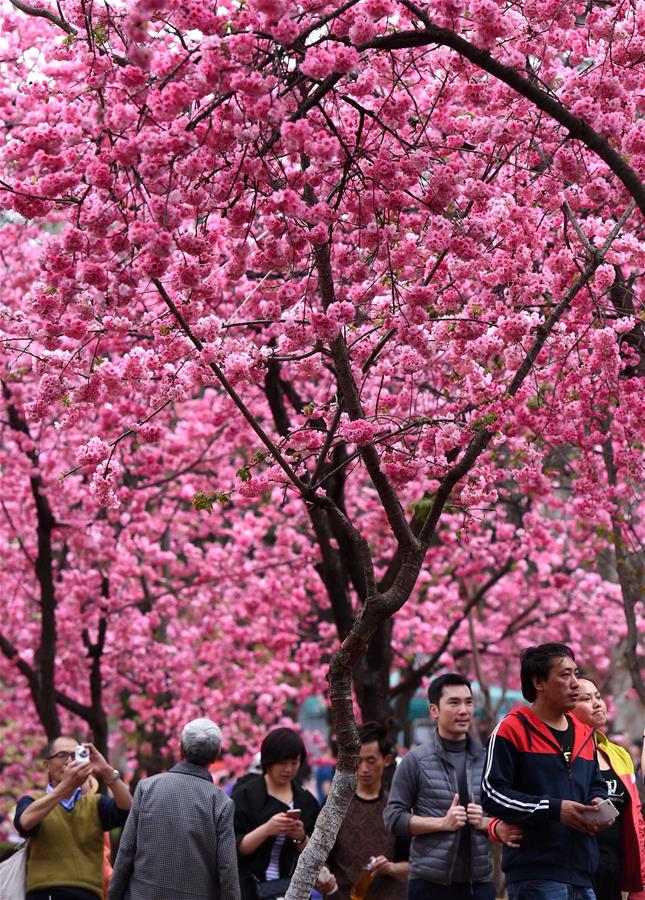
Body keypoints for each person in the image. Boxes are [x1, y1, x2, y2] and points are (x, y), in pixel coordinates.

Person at [481, 642, 610, 900]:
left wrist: (599, 804)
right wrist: (554, 809)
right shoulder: (511, 729)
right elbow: (492, 794)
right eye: (565, 675)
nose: (575, 682)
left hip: (583, 873)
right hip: (536, 875)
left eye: (576, 673)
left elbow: (596, 783)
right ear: (538, 682)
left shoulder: (585, 733)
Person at [383, 673, 497, 900]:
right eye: (454, 703)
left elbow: (503, 815)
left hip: (480, 884)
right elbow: (393, 818)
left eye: (468, 702)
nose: (464, 710)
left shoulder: (488, 759)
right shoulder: (415, 761)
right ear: (434, 710)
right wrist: (443, 823)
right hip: (429, 884)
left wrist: (484, 820)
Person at [108, 718, 240, 900]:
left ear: (180, 750)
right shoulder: (221, 802)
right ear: (215, 755)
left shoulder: (147, 787)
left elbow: (126, 851)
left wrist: (114, 894)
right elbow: (227, 868)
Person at [14, 736, 132, 900]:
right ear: (47, 765)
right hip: (45, 893)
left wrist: (106, 771)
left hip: (88, 894)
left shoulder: (95, 804)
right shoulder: (33, 802)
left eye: (75, 755)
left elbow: (128, 809)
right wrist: (65, 787)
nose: (69, 761)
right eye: (62, 755)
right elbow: (25, 823)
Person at [233, 727, 336, 899]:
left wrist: (300, 837)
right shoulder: (245, 796)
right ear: (268, 761)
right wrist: (267, 829)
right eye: (282, 763)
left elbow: (317, 856)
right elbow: (235, 848)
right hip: (250, 890)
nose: (288, 769)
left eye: (294, 762)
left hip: (294, 891)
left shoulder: (306, 801)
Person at [571, 676, 645, 900]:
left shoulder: (618, 753)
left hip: (611, 870)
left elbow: (635, 817)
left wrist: (640, 880)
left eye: (598, 697)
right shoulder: (561, 755)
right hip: (575, 871)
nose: (597, 703)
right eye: (586, 698)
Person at [328, 721, 409, 899]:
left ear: (386, 760)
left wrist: (390, 868)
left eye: (371, 761)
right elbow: (323, 862)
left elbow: (412, 866)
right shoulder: (335, 808)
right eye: (358, 761)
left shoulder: (397, 809)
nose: (364, 769)